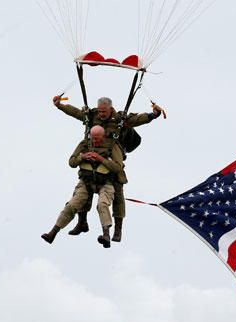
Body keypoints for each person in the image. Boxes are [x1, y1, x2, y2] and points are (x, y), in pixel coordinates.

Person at [52, 95, 165, 242]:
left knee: (117, 193)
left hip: (111, 158)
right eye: (100, 111)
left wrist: (153, 115)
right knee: (84, 188)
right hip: (93, 156)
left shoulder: (119, 119)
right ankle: (82, 222)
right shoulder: (92, 116)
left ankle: (117, 231)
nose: (101, 114)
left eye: (104, 112)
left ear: (110, 109)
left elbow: (137, 120)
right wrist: (59, 105)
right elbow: (76, 113)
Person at [41, 125, 123, 248]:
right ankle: (53, 232)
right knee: (72, 205)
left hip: (106, 183)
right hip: (86, 182)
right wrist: (82, 157)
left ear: (103, 136)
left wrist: (101, 159)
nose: (94, 141)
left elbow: (118, 167)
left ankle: (106, 235)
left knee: (102, 205)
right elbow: (72, 162)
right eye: (92, 138)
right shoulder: (85, 144)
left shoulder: (113, 146)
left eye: (97, 138)